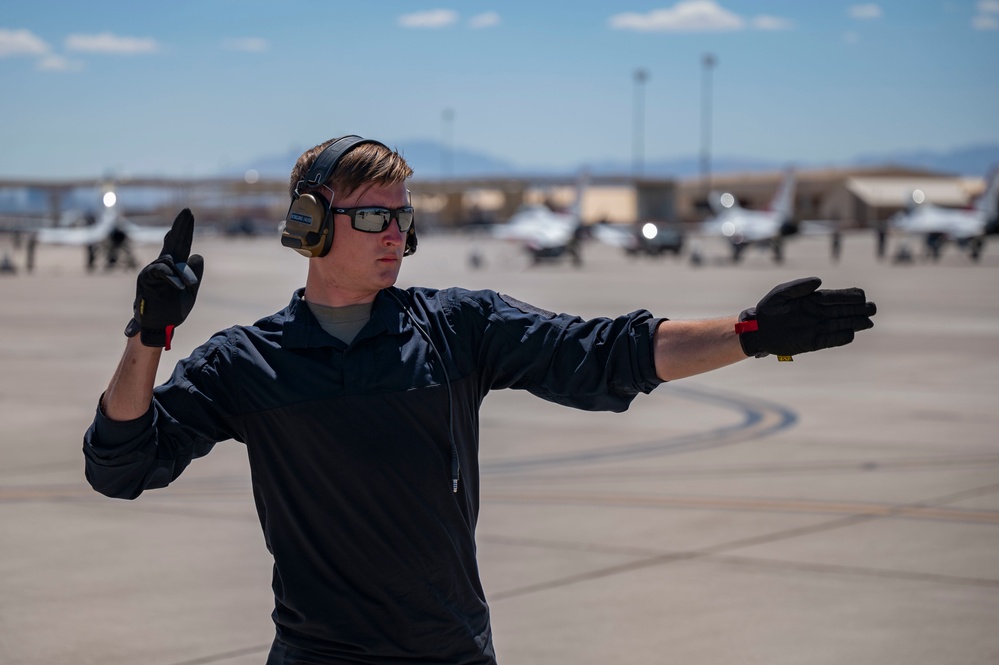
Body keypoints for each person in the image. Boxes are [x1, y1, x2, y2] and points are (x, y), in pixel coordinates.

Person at [83, 135, 876, 665]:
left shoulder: (456, 328)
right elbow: (121, 464)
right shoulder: (248, 363)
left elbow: (603, 352)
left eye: (402, 217)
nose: (394, 233)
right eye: (371, 217)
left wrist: (748, 329)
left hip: (452, 650)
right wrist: (148, 335)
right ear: (310, 225)